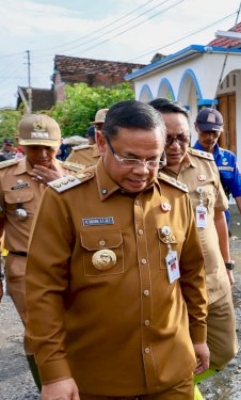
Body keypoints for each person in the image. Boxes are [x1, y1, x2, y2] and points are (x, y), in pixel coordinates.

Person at [25, 100, 210, 399]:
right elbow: (43, 292)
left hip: (172, 373)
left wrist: (198, 336)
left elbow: (191, 274)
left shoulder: (176, 198)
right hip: (99, 380)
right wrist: (54, 373)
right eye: (130, 158)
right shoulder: (65, 201)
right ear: (101, 142)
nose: (142, 170)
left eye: (153, 159)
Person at [150, 98, 238, 399]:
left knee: (224, 351)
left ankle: (182, 387)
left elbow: (218, 218)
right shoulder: (141, 176)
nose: (175, 146)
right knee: (176, 353)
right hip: (169, 288)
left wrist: (227, 265)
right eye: (167, 139)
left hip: (213, 280)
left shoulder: (206, 164)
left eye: (182, 138)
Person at [0, 114, 83, 391]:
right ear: (22, 146)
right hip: (24, 267)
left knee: (77, 328)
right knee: (39, 332)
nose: (43, 154)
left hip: (71, 265)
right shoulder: (5, 176)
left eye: (49, 147)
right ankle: (49, 388)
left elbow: (90, 219)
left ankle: (81, 384)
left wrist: (62, 184)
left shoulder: (76, 175)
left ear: (60, 144)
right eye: (35, 147)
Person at [192, 107, 241, 256]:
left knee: (222, 266)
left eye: (214, 132)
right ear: (196, 127)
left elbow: (240, 195)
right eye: (205, 131)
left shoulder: (229, 159)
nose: (209, 137)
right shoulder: (187, 158)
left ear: (221, 130)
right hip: (193, 226)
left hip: (220, 223)